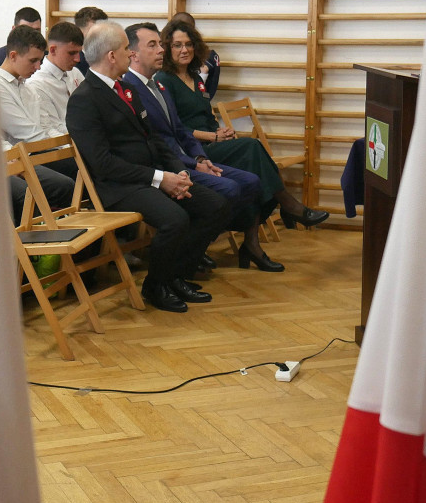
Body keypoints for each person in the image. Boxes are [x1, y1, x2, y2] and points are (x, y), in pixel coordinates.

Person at [66, 21, 231, 313]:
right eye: (125, 49)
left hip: (150, 176)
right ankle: (155, 286)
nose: (131, 54)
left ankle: (176, 275)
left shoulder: (127, 88)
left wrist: (178, 171)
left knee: (214, 205)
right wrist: (159, 178)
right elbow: (103, 164)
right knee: (175, 219)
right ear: (111, 56)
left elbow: (153, 138)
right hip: (118, 186)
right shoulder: (84, 99)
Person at [124, 22, 282, 272]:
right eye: (153, 45)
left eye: (160, 44)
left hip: (190, 155)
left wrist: (199, 158)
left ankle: (200, 244)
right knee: (230, 187)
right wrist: (192, 162)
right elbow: (156, 142)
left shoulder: (158, 85)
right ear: (132, 53)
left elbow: (179, 130)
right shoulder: (131, 88)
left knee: (251, 181)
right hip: (165, 167)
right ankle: (190, 252)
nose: (162, 50)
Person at [155, 18, 329, 233]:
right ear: (167, 48)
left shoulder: (195, 77)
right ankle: (287, 205)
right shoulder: (163, 80)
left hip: (212, 143)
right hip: (194, 152)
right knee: (251, 147)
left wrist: (220, 130)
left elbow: (207, 115)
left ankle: (253, 240)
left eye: (189, 44)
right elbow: (175, 128)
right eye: (177, 45)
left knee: (252, 169)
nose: (185, 50)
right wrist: (212, 137)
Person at [0, 25, 78, 180]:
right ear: (13, 56)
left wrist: (70, 146)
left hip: (35, 151)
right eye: (33, 61)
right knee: (73, 176)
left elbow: (46, 127)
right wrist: (69, 149)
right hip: (17, 158)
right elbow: (27, 133)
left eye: (39, 60)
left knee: (86, 165)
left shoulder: (27, 87)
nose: (38, 67)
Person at [26, 21, 84, 137]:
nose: (78, 59)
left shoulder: (75, 72)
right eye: (72, 53)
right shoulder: (37, 84)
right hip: (66, 143)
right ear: (52, 50)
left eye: (79, 52)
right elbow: (52, 129)